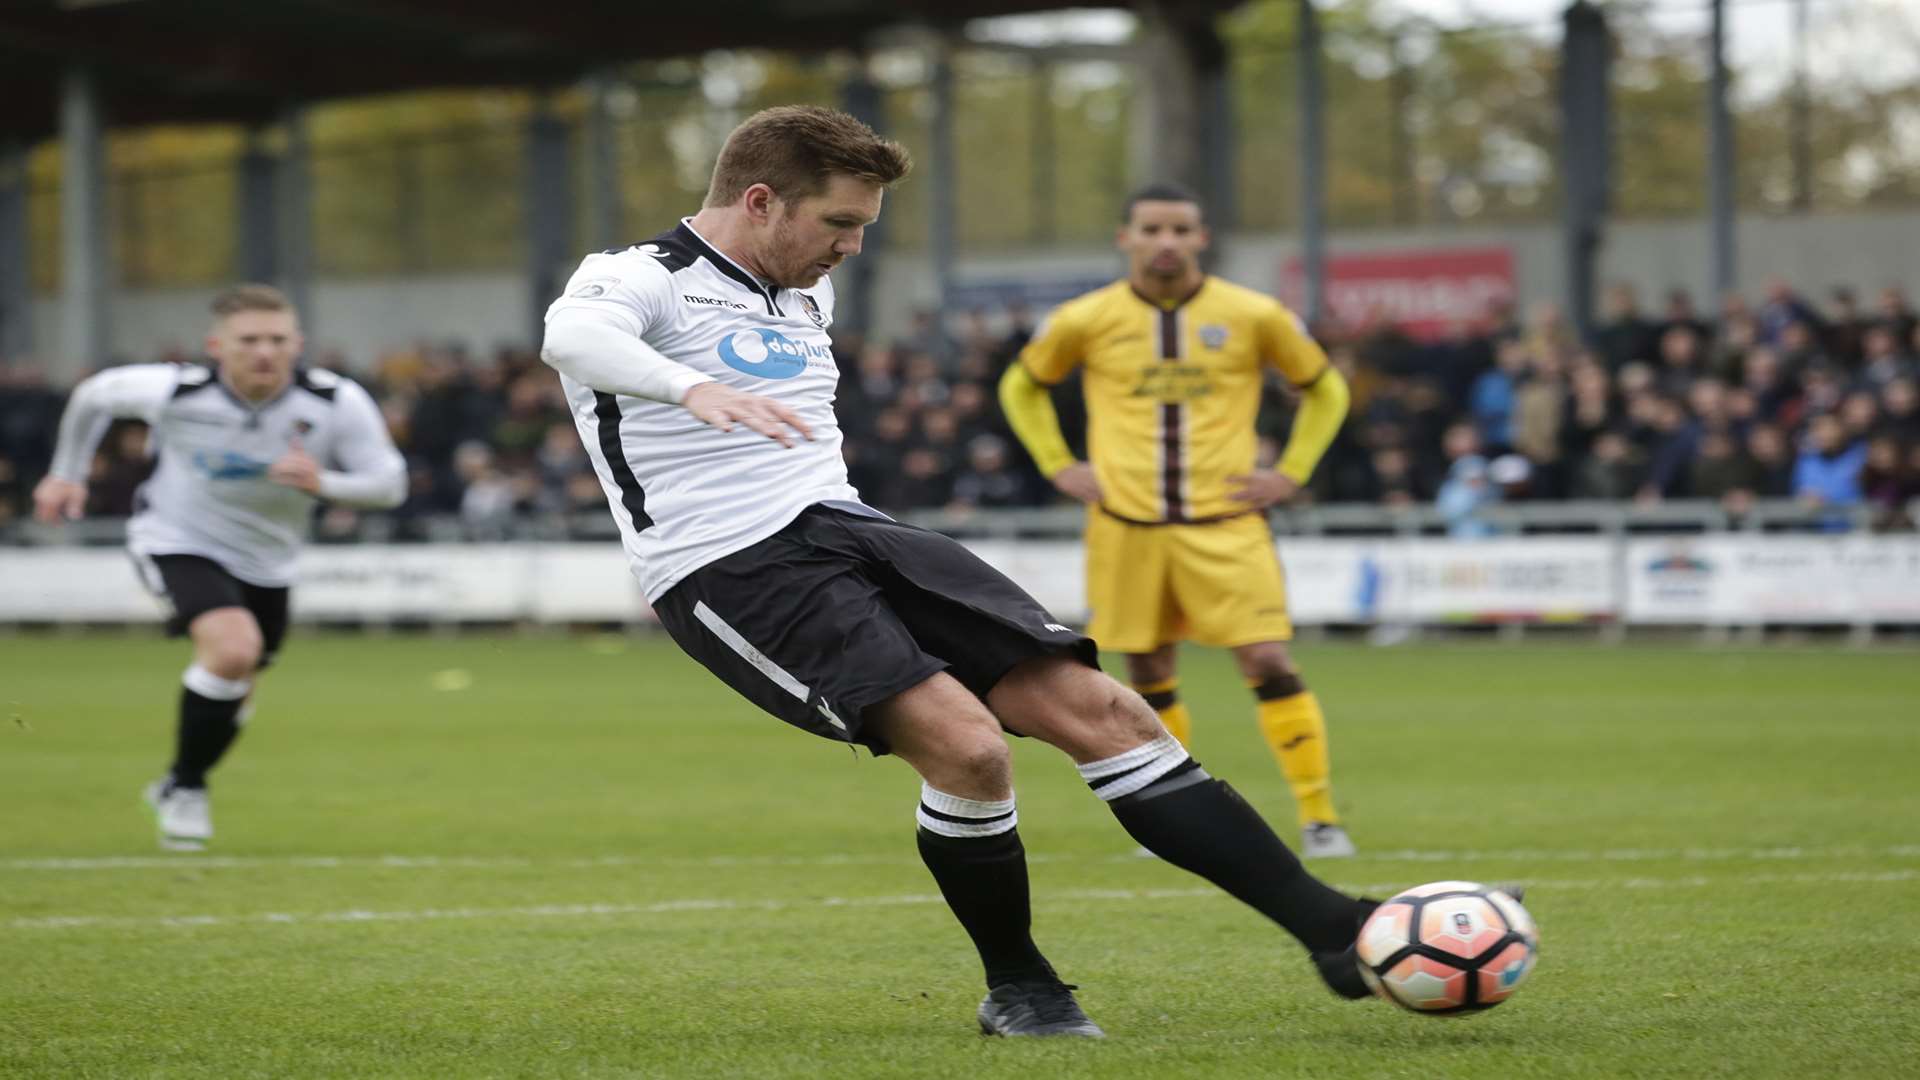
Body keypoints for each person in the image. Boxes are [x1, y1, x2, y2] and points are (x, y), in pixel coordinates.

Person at [539, 107, 1388, 1039]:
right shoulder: (638, 277)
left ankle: (1337, 930)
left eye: (865, 226)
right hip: (731, 567)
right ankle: (1022, 987)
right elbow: (573, 342)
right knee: (971, 749)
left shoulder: (803, 292)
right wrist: (688, 387)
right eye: (839, 223)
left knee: (1108, 711)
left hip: (852, 527)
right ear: (760, 201)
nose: (854, 247)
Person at [997, 183, 1358, 859]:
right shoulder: (1086, 318)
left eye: (1179, 229)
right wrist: (1056, 463)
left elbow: (1325, 386)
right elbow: (1020, 384)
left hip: (1224, 522)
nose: (1166, 241)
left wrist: (1294, 471)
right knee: (1147, 668)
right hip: (1126, 524)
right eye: (1152, 228)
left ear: (1201, 238)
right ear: (1125, 237)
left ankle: (1319, 817)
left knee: (1267, 657)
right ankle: (1177, 817)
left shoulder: (1254, 314)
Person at [33, 284, 406, 849]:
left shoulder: (335, 401)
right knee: (233, 650)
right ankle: (186, 788)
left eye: (277, 340)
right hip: (177, 538)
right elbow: (94, 395)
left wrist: (323, 483)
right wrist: (67, 473)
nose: (264, 352)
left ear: (297, 344)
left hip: (270, 560)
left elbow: (389, 485)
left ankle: (176, 783)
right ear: (216, 345)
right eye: (249, 340)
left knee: (239, 685)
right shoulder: (175, 391)